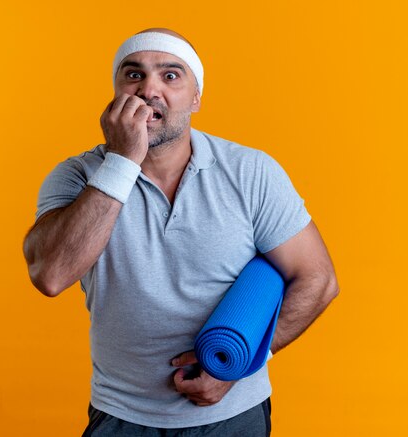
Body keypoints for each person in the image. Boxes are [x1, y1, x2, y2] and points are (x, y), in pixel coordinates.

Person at [23, 27, 339, 436]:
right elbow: (50, 275)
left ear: (196, 98)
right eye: (133, 75)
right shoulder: (76, 176)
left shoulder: (250, 172)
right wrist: (122, 161)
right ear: (116, 91)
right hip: (121, 414)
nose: (148, 89)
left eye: (170, 75)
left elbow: (319, 278)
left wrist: (242, 366)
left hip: (232, 416)